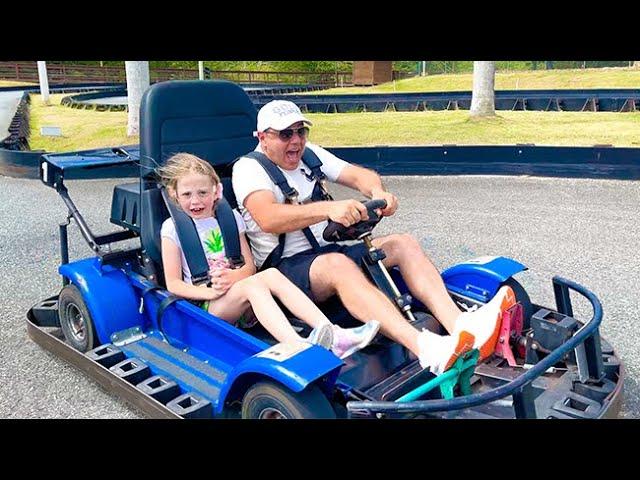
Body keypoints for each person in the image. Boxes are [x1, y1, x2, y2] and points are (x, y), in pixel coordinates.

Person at [232, 100, 516, 376]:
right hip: (285, 271)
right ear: (262, 137)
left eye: (300, 131)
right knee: (337, 265)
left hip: (327, 253)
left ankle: (461, 327)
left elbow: (358, 175)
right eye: (285, 134)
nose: (295, 140)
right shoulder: (249, 169)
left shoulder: (309, 154)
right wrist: (329, 209)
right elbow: (267, 217)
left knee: (401, 243)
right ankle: (426, 348)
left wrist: (377, 193)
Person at [158, 152, 380, 359]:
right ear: (173, 194)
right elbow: (174, 284)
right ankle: (297, 345)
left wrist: (234, 278)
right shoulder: (172, 229)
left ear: (216, 191)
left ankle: (333, 334)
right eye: (187, 194)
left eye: (202, 193)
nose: (195, 201)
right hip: (203, 307)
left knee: (271, 274)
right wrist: (207, 291)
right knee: (252, 286)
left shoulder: (230, 219)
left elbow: (248, 267)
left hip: (234, 298)